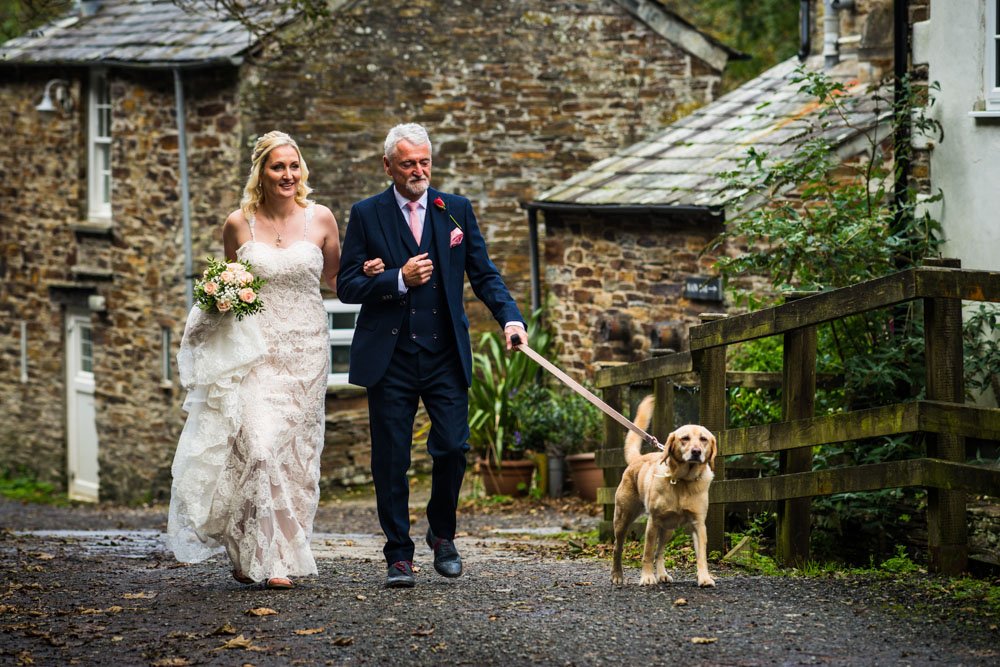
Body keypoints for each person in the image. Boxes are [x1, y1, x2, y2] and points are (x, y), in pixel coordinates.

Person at [337, 123, 526, 588]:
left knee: (453, 448)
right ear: (388, 166)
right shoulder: (367, 214)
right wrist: (397, 278)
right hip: (391, 356)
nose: (419, 171)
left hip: (445, 354)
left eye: (424, 162)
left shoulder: (455, 210)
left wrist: (511, 318)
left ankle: (442, 534)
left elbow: (483, 273)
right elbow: (346, 286)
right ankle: (398, 553)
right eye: (408, 163)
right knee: (391, 458)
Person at [167, 131, 341, 590]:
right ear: (261, 172)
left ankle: (274, 550)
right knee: (259, 449)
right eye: (277, 167)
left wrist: (381, 276)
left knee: (296, 455)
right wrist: (217, 299)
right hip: (256, 352)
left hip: (305, 353)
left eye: (293, 166)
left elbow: (339, 281)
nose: (288, 175)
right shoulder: (238, 224)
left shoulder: (321, 219)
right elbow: (230, 285)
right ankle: (264, 556)